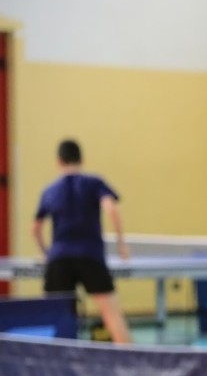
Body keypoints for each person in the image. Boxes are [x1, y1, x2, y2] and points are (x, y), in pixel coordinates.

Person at [33, 139, 132, 344]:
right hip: (90, 256)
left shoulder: (50, 190)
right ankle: (130, 359)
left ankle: (54, 363)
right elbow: (111, 209)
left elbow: (35, 228)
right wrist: (121, 245)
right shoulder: (94, 183)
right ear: (82, 159)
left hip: (59, 258)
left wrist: (45, 253)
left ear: (59, 161)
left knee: (56, 319)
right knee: (111, 315)